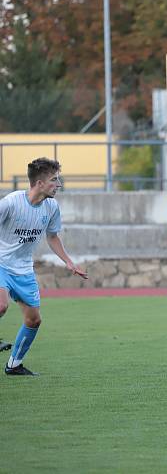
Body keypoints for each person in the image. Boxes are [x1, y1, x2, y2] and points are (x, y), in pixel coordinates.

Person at [0, 158, 88, 376]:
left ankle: (14, 365)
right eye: (54, 180)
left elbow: (52, 236)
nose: (58, 184)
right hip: (1, 264)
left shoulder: (51, 207)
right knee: (1, 306)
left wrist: (68, 261)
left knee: (34, 320)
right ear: (39, 183)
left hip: (24, 269)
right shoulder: (10, 203)